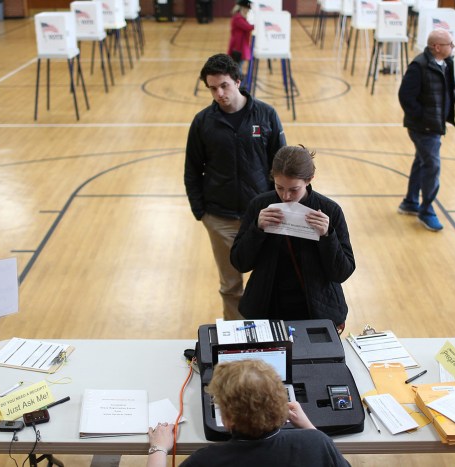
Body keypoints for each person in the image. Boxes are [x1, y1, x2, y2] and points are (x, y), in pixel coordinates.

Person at [185, 53, 286, 321]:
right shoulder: (202, 122)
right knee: (230, 286)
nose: (219, 93)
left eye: (224, 86)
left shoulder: (266, 115)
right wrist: (202, 213)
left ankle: (268, 335)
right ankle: (236, 340)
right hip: (219, 218)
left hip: (262, 217)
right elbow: (192, 169)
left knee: (269, 281)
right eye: (212, 88)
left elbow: (282, 165)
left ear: (238, 81)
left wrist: (281, 206)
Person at [230, 146, 355, 332]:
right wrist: (257, 229)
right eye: (279, 188)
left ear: (309, 180)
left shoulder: (330, 210)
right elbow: (240, 263)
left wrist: (327, 235)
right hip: (267, 308)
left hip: (316, 311)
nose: (286, 196)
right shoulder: (260, 205)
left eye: (294, 189)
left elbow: (342, 272)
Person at [146, 360, 351, 467]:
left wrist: (159, 447)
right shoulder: (316, 443)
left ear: (227, 419)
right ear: (282, 403)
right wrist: (310, 429)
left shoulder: (206, 461)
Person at [397, 29, 455, 232]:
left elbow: (454, 89)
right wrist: (423, 118)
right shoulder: (419, 66)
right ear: (437, 47)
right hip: (422, 127)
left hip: (434, 126)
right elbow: (405, 96)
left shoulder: (447, 64)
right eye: (450, 44)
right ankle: (426, 211)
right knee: (432, 166)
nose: (453, 47)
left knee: (422, 161)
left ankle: (410, 202)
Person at [228, 0, 254, 76]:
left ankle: (238, 79)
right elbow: (248, 27)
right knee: (238, 64)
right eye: (247, 9)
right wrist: (258, 24)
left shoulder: (240, 17)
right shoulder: (238, 18)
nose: (248, 11)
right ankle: (238, 81)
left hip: (240, 44)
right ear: (243, 8)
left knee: (239, 64)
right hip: (238, 45)